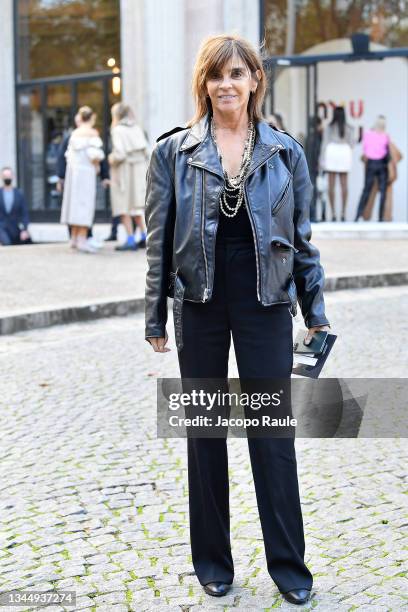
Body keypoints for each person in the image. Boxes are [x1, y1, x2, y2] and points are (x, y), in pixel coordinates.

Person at [144, 34, 331, 605]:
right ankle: (213, 562)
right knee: (204, 433)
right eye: (215, 75)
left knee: (271, 434)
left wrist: (315, 312)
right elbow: (159, 240)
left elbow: (301, 241)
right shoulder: (173, 153)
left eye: (237, 73)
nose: (226, 84)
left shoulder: (284, 152)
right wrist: (155, 313)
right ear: (204, 84)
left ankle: (289, 568)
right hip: (198, 302)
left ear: (254, 80)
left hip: (265, 303)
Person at [57, 112, 108, 249]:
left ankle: (73, 238)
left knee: (75, 205)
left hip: (73, 173)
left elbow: (66, 156)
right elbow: (96, 155)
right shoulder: (92, 133)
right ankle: (82, 239)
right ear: (91, 118)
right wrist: (98, 168)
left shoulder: (74, 133)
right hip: (86, 173)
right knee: (85, 205)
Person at [108, 102, 149, 251]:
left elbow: (119, 154)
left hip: (124, 172)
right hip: (139, 170)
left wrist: (110, 158)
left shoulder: (117, 130)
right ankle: (145, 236)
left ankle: (130, 239)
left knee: (123, 205)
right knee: (137, 206)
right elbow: (146, 151)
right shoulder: (137, 128)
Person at [319, 106, 355, 221]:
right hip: (344, 152)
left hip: (332, 152)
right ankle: (343, 213)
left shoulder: (329, 128)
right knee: (344, 184)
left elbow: (324, 144)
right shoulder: (349, 128)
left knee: (331, 184)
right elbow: (352, 144)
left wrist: (322, 160)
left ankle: (333, 213)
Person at [354, 115, 391, 222]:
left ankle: (357, 216)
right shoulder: (385, 136)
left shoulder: (367, 134)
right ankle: (380, 218)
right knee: (383, 192)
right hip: (382, 165)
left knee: (366, 190)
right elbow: (387, 152)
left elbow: (365, 150)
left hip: (370, 164)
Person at [0, 167, 32, 246]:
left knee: (28, 241)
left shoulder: (19, 194)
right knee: (7, 243)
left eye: (9, 175)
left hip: (15, 228)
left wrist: (24, 229)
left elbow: (24, 213)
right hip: (1, 229)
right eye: (5, 176)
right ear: (1, 177)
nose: (7, 178)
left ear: (13, 176)